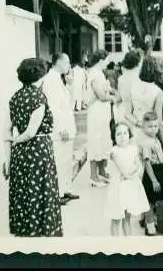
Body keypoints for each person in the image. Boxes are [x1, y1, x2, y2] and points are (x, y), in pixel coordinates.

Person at [3, 58, 63, 237]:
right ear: (40, 77)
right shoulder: (39, 97)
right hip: (38, 150)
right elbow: (30, 132)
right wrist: (17, 140)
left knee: (24, 192)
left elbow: (6, 130)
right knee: (41, 191)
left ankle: (26, 232)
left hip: (20, 155)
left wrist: (8, 160)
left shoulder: (14, 98)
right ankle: (42, 233)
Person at [41, 53, 79, 205]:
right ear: (58, 62)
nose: (69, 65)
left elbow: (68, 104)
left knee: (66, 161)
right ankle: (58, 193)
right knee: (60, 161)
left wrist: (70, 85)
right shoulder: (51, 80)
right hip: (60, 129)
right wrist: (61, 128)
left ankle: (65, 189)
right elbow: (53, 108)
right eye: (67, 62)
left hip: (67, 127)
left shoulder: (59, 79)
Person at [105, 122, 150, 236]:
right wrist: (133, 172)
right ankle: (115, 246)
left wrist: (135, 172)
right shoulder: (114, 152)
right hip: (118, 189)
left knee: (127, 218)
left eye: (125, 133)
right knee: (116, 218)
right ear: (114, 138)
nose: (122, 136)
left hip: (129, 188)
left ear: (129, 135)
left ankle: (128, 245)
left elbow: (140, 166)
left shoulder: (133, 149)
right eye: (118, 134)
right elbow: (124, 171)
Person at [85, 50, 117, 187]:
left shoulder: (99, 73)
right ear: (100, 60)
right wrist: (113, 98)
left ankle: (102, 170)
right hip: (96, 113)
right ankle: (93, 175)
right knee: (95, 142)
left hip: (102, 114)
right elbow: (101, 96)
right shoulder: (94, 74)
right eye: (106, 60)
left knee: (103, 141)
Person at [128, 56, 163, 148]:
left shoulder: (133, 87)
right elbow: (159, 120)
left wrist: (138, 123)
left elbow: (127, 114)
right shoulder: (158, 91)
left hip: (136, 129)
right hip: (150, 130)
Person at [140, 111, 163, 236]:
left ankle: (158, 223)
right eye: (149, 126)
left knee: (159, 199)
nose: (153, 129)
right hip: (151, 173)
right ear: (143, 127)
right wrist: (154, 180)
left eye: (155, 126)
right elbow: (147, 163)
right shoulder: (146, 142)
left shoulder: (155, 139)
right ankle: (150, 227)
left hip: (159, 170)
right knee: (150, 201)